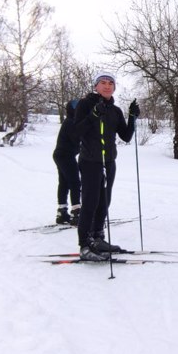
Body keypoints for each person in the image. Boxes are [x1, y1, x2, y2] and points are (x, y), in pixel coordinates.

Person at [74, 73, 139, 261]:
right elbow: (76, 131)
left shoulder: (115, 111)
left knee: (104, 202)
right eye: (103, 83)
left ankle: (97, 238)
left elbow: (126, 136)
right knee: (90, 203)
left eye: (111, 83)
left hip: (109, 162)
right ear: (96, 86)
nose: (107, 86)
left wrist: (133, 117)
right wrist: (94, 115)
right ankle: (85, 245)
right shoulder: (85, 105)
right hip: (90, 162)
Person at [53, 99, 81, 225]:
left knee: (64, 182)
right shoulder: (71, 123)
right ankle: (77, 212)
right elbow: (77, 139)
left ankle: (62, 211)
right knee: (75, 182)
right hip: (66, 156)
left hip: (61, 155)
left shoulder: (70, 121)